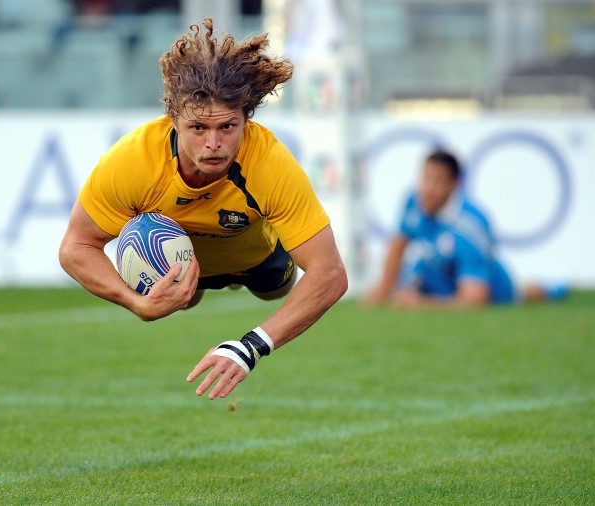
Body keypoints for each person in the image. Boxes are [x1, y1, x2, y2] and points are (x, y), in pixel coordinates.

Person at [59, 18, 348, 401]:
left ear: (247, 119)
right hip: (178, 270)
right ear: (173, 120)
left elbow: (330, 274)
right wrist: (136, 303)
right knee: (186, 298)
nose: (214, 143)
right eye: (198, 128)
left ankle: (244, 271)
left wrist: (249, 348)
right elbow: (75, 247)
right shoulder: (134, 160)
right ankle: (193, 283)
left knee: (275, 291)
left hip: (257, 260)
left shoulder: (270, 163)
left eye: (228, 127)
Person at [363, 149, 567, 309]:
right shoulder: (414, 201)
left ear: (454, 185)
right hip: (438, 276)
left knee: (521, 293)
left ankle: (552, 290)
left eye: (436, 181)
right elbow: (398, 245)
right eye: (425, 178)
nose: (427, 188)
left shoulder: (471, 228)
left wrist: (421, 304)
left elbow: (474, 299)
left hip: (492, 289)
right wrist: (382, 290)